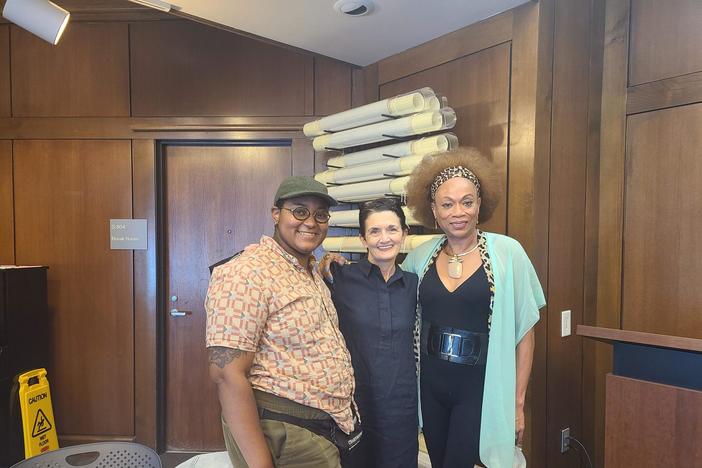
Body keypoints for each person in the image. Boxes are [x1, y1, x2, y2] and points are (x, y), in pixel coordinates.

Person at [401, 148, 546, 468]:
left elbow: (525, 333)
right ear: (434, 211)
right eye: (447, 204)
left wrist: (518, 403)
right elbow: (387, 293)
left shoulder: (508, 253)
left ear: (480, 205)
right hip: (432, 388)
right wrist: (341, 266)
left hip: (480, 387)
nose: (458, 212)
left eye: (467, 202)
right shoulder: (419, 258)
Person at [205, 176, 361, 468]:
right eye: (299, 211)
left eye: (320, 214)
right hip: (286, 430)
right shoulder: (246, 272)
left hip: (323, 429)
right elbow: (225, 375)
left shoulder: (309, 270)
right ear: (276, 214)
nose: (311, 222)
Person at [325, 198, 419, 468]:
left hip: (401, 407)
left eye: (392, 229)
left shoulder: (414, 284)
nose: (384, 238)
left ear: (404, 233)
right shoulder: (339, 277)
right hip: (354, 405)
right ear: (363, 239)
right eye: (374, 231)